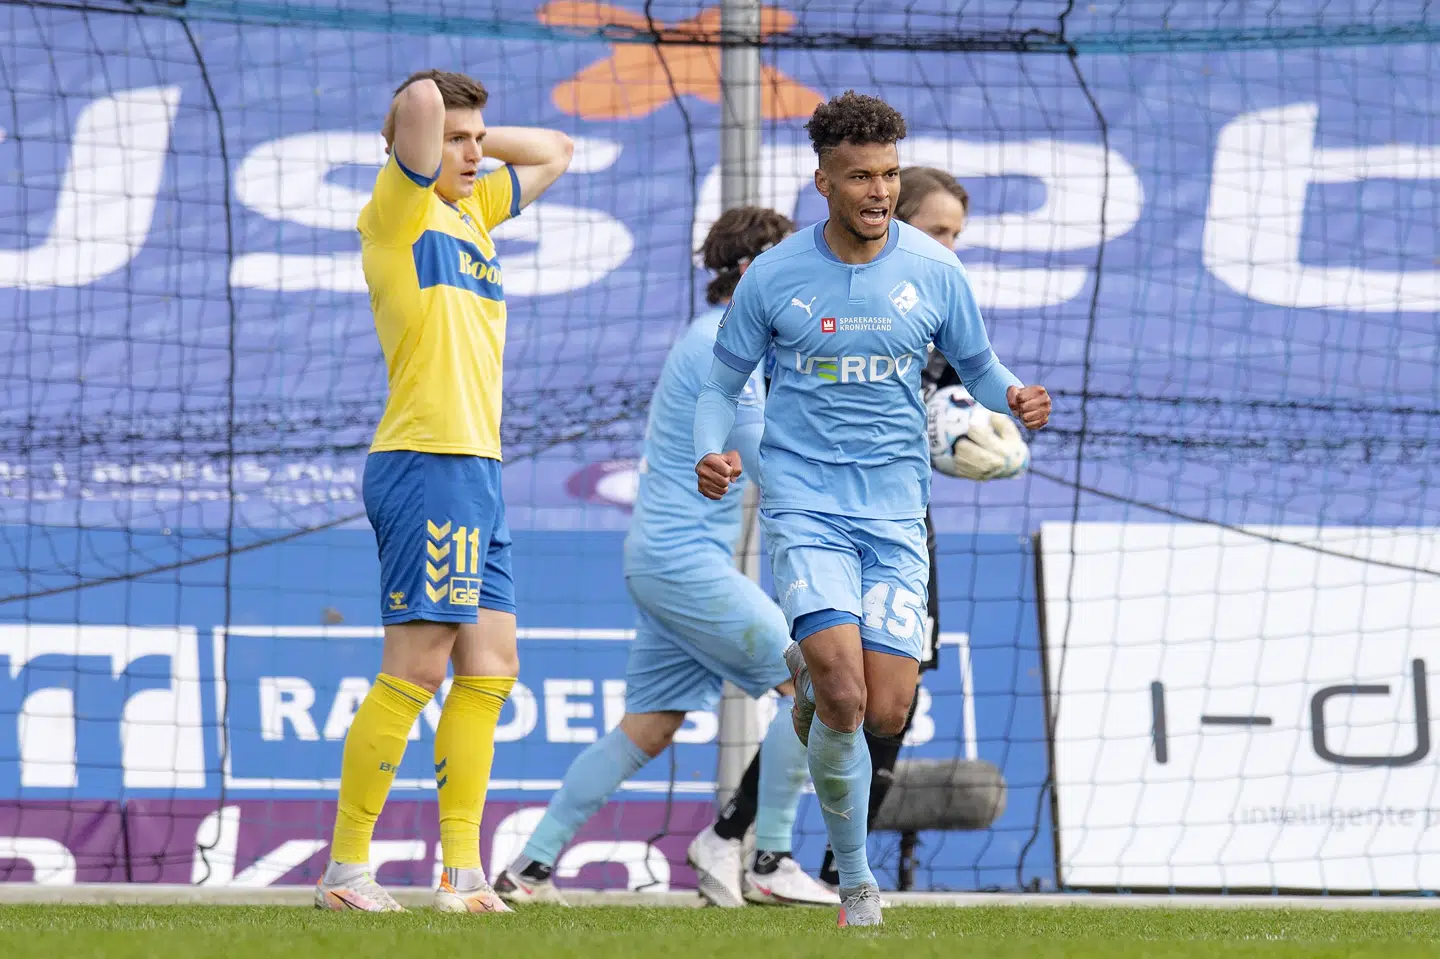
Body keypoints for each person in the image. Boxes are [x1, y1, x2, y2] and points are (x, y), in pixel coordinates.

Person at [693, 91, 1051, 928]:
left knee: (886, 708)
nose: (879, 190)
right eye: (861, 176)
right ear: (824, 180)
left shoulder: (934, 269)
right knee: (848, 697)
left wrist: (1017, 397)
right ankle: (855, 883)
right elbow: (720, 382)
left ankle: (816, 681)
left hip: (895, 514)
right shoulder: (777, 276)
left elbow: (981, 366)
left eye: (890, 173)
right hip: (807, 508)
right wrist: (711, 452)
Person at [493, 207, 836, 910]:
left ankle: (528, 867)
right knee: (819, 687)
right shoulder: (723, 346)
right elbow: (766, 459)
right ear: (751, 274)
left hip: (666, 560)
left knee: (649, 724)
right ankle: (767, 855)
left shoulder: (724, 340)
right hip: (683, 564)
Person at [314, 69, 573, 914]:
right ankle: (347, 871)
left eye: (479, 138)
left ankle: (461, 873)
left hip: (477, 468)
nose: (473, 150)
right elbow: (421, 101)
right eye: (456, 139)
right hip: (425, 459)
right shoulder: (396, 209)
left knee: (492, 667)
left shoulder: (474, 210)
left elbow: (558, 149)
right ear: (411, 148)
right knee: (418, 668)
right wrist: (428, 135)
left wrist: (473, 145)